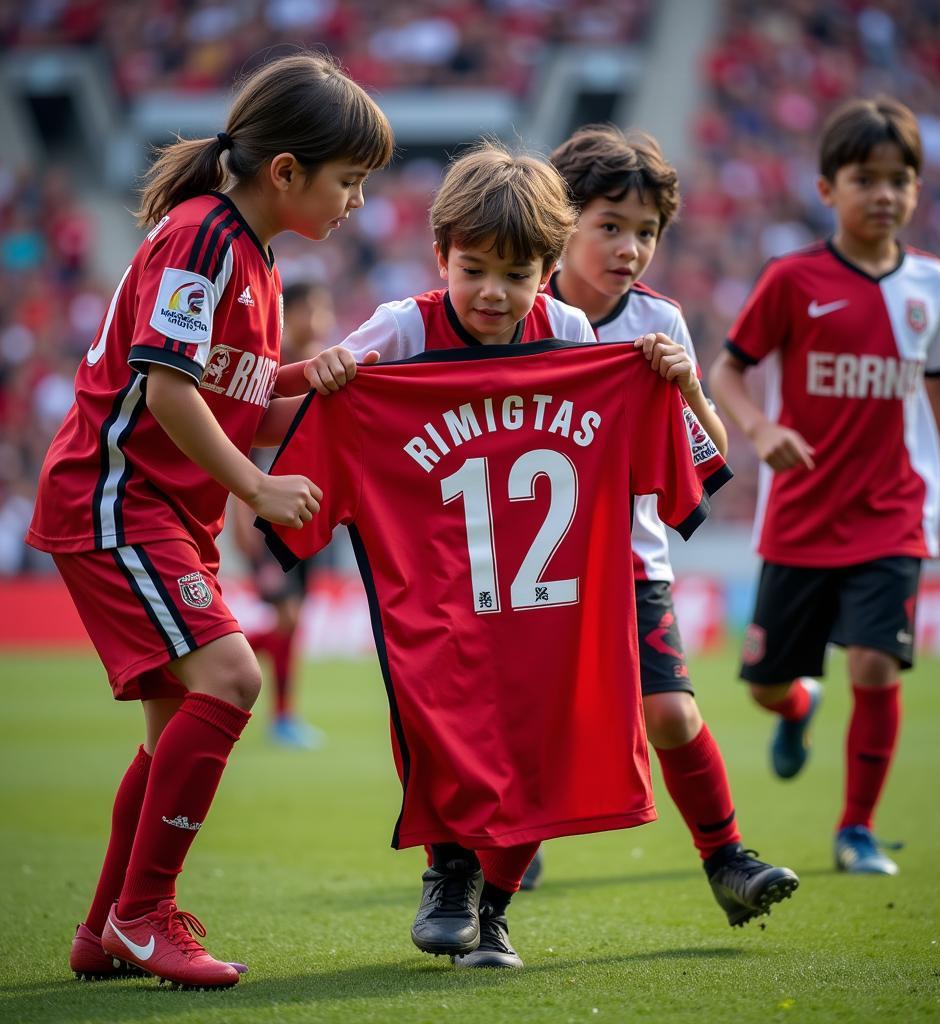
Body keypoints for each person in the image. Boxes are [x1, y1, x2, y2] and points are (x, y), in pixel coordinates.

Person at [276, 142, 729, 969]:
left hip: (551, 593)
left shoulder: (570, 330)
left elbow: (697, 462)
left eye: (517, 275)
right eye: (474, 268)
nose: (494, 292)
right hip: (441, 585)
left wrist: (681, 386)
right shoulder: (404, 327)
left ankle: (496, 906)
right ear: (440, 254)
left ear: (547, 270)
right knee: (437, 721)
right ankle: (448, 869)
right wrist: (321, 373)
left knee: (544, 742)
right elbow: (300, 419)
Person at [25, 53, 393, 989]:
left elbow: (239, 398)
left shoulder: (255, 258)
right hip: (117, 499)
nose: (356, 202)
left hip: (159, 512)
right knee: (232, 678)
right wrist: (258, 490)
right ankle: (146, 913)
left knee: (170, 735)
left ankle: (105, 927)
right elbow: (169, 388)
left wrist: (316, 379)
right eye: (349, 181)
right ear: (286, 172)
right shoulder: (203, 237)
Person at [523, 124, 798, 923]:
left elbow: (706, 455)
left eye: (646, 232)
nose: (630, 248)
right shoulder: (512, 306)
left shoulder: (660, 322)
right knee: (521, 716)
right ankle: (492, 853)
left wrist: (686, 389)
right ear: (562, 221)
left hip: (630, 561)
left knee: (671, 711)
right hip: (524, 567)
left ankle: (727, 860)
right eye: (610, 225)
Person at [709, 96, 940, 875]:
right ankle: (798, 708)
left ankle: (855, 828)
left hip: (892, 512)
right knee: (768, 686)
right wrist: (759, 431)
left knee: (874, 666)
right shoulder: (794, 279)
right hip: (801, 518)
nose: (884, 193)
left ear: (917, 189)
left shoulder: (933, 285)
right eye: (865, 178)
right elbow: (727, 369)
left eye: (900, 179)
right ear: (829, 189)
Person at [232, 282, 339, 749]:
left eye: (323, 306)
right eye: (310, 307)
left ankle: (216, 665)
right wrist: (242, 515)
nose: (318, 316)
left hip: (307, 513)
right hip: (264, 514)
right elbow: (246, 446)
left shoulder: (327, 369)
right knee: (288, 617)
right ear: (289, 314)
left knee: (292, 620)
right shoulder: (271, 368)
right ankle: (279, 715)